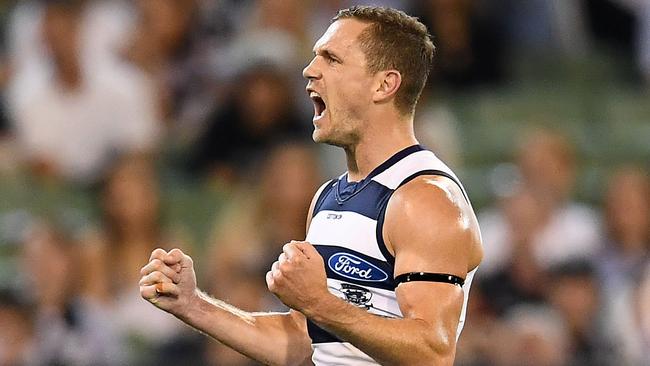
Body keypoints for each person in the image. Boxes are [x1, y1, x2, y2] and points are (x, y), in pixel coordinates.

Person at [140, 6, 483, 365]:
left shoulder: (425, 198)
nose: (310, 69)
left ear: (384, 84)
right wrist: (195, 305)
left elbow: (433, 352)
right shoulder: (327, 199)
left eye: (331, 59)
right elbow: (307, 343)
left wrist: (321, 303)